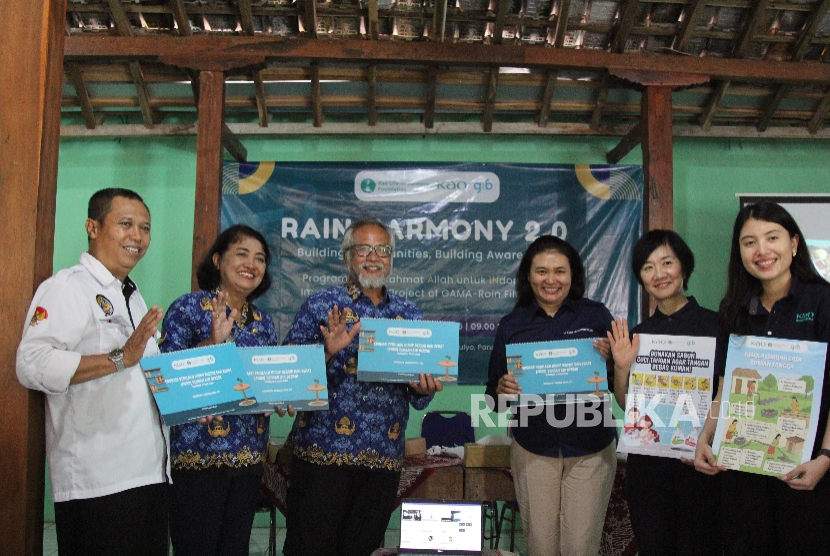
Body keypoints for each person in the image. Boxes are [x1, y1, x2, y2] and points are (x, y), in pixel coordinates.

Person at [16, 188, 169, 556]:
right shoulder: (68, 288)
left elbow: (142, 376)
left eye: (145, 228)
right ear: (93, 227)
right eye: (126, 224)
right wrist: (119, 357)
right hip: (98, 481)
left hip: (149, 474)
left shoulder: (130, 294)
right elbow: (31, 362)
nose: (138, 236)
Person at [282, 217, 443, 556]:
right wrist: (327, 351)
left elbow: (417, 395)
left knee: (363, 550)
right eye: (363, 249)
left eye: (382, 250)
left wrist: (423, 388)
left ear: (391, 258)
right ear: (346, 257)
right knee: (308, 548)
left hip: (383, 461)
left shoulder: (408, 314)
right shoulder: (321, 305)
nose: (373, 256)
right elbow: (290, 376)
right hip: (323, 458)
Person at [695, 201, 830, 556]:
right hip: (743, 467)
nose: (762, 250)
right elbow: (724, 390)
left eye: (772, 237)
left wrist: (827, 457)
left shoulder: (822, 302)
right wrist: (705, 439)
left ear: (795, 244)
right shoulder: (734, 308)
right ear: (739, 251)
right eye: (749, 242)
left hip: (808, 466)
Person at [485, 235, 616, 556]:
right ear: (528, 277)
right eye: (541, 271)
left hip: (591, 449)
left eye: (560, 271)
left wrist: (614, 360)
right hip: (533, 450)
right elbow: (493, 400)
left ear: (573, 276)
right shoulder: (512, 325)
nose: (551, 280)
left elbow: (617, 381)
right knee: (541, 546)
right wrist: (502, 391)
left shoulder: (596, 317)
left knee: (580, 547)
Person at [159, 224, 280, 556]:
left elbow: (264, 382)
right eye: (241, 254)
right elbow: (168, 382)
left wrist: (279, 396)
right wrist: (210, 343)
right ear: (217, 259)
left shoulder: (262, 322)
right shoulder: (187, 308)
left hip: (247, 464)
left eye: (260, 258)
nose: (251, 264)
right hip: (198, 462)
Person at [607, 229, 722, 556]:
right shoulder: (637, 335)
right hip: (649, 471)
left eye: (667, 262)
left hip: (701, 467)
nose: (659, 274)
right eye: (647, 267)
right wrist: (622, 366)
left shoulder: (717, 325)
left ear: (684, 267)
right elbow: (626, 403)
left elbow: (727, 394)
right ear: (640, 277)